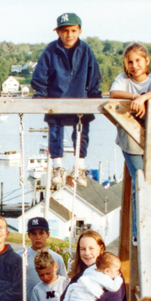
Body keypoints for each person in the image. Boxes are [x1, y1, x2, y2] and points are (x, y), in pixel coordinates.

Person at [31, 12, 102, 187]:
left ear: (79, 31)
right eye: (64, 31)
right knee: (55, 130)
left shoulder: (85, 50)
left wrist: (94, 96)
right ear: (58, 32)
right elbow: (40, 75)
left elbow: (94, 75)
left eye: (72, 30)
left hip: (80, 100)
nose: (68, 35)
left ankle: (79, 167)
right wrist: (40, 95)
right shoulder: (50, 50)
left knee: (82, 133)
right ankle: (57, 167)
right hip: (56, 99)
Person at [108, 43, 151, 243]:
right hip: (130, 138)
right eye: (130, 62)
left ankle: (146, 227)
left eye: (138, 61)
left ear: (147, 61)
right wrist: (134, 96)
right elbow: (113, 93)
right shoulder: (123, 80)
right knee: (139, 180)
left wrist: (142, 99)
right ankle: (137, 232)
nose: (134, 65)